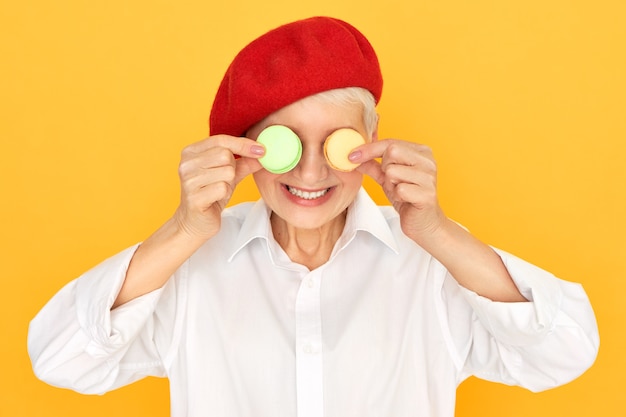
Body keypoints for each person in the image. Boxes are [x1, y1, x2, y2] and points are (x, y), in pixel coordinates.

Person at [28, 16, 599, 417]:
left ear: (372, 141)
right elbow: (60, 361)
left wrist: (436, 230)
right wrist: (183, 230)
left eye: (335, 143)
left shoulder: (432, 265)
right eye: (284, 143)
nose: (308, 174)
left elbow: (565, 354)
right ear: (245, 148)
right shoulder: (189, 270)